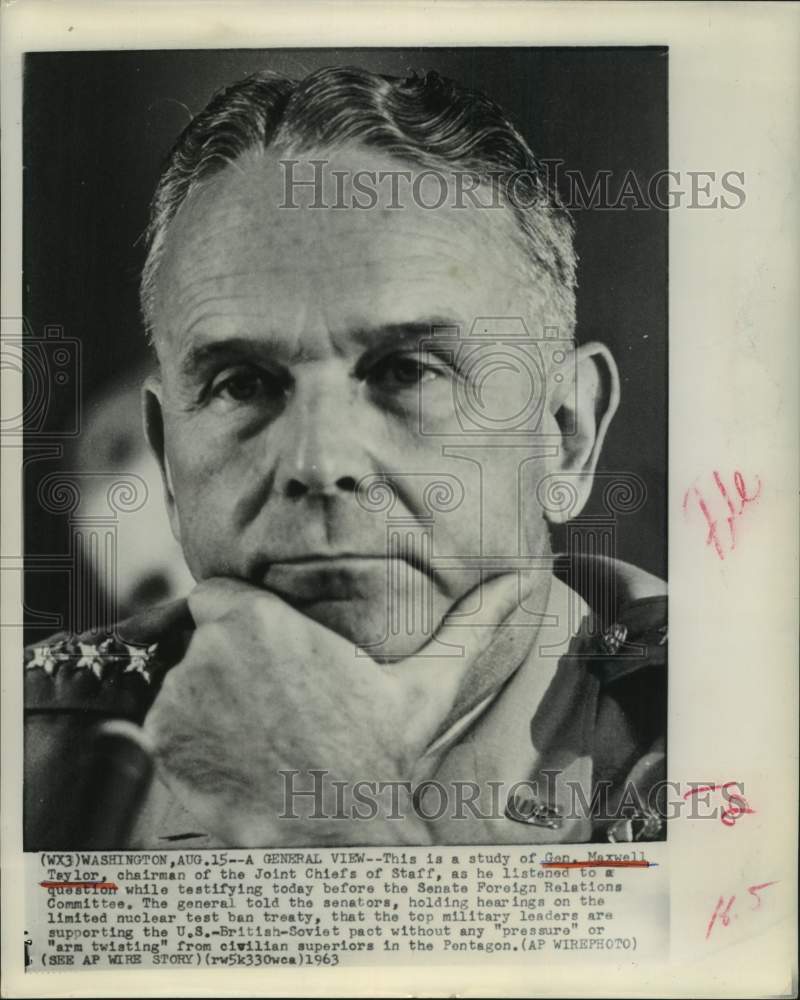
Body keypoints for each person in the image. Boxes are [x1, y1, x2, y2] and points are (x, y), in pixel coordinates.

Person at [24, 66, 666, 849]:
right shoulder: (28, 760)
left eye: (407, 371)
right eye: (243, 383)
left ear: (566, 432)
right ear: (166, 456)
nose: (319, 462)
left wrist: (333, 816)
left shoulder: (733, 724)